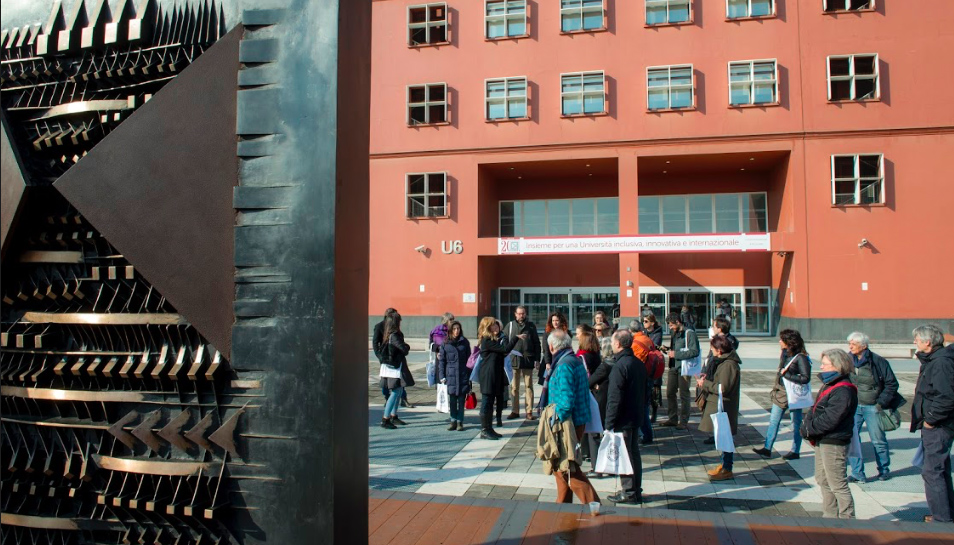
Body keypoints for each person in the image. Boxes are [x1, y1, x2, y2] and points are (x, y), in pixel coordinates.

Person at [800, 348, 858, 520]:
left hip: (833, 441)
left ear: (837, 366)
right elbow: (816, 408)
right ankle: (830, 516)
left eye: (825, 365)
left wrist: (810, 429)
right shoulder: (830, 384)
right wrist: (807, 425)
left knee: (837, 483)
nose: (822, 368)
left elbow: (831, 418)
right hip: (822, 439)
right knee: (823, 479)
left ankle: (848, 519)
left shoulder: (843, 390)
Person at [544, 329, 600, 504]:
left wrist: (554, 419)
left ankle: (594, 506)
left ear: (552, 346)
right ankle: (562, 504)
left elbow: (566, 401)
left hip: (568, 423)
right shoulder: (572, 360)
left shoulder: (564, 365)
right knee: (560, 468)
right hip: (576, 420)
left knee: (568, 468)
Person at [910, 325, 954, 524]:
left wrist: (930, 420)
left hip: (938, 426)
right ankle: (945, 513)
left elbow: (946, 397)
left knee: (932, 471)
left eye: (916, 339)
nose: (914, 342)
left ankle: (942, 519)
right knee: (940, 469)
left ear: (927, 342)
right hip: (937, 424)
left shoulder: (941, 362)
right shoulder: (935, 359)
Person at [846, 331, 901, 483]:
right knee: (852, 439)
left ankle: (884, 470)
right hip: (854, 406)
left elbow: (892, 383)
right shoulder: (848, 360)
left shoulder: (877, 361)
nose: (850, 347)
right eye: (849, 344)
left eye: (854, 344)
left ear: (863, 346)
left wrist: (881, 403)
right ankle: (857, 473)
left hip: (872, 406)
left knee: (878, 440)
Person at [754, 329, 811, 460]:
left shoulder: (801, 358)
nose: (779, 341)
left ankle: (795, 451)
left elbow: (805, 378)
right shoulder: (785, 353)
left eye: (782, 339)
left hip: (793, 394)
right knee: (774, 420)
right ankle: (767, 448)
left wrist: (787, 375)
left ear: (789, 342)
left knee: (796, 423)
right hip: (781, 393)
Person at [605, 329, 647, 504]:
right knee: (634, 453)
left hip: (624, 417)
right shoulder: (637, 363)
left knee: (626, 455)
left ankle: (629, 492)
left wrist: (609, 423)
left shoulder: (620, 366)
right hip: (636, 415)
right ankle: (635, 489)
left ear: (618, 344)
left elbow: (614, 398)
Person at [697, 335, 741, 481]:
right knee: (722, 437)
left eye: (713, 348)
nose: (711, 350)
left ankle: (727, 467)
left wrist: (705, 384)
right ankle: (724, 464)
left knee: (725, 437)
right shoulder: (723, 362)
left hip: (724, 406)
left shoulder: (729, 365)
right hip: (720, 404)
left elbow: (723, 388)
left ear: (719, 350)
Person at [478, 317, 524, 440]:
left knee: (491, 402)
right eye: (493, 325)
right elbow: (505, 349)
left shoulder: (494, 339)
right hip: (488, 375)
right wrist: (516, 338)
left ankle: (489, 428)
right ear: (488, 327)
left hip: (495, 374)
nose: (495, 327)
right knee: (486, 403)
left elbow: (503, 353)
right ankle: (484, 429)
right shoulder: (487, 340)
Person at [662, 313, 700, 430]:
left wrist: (676, 354)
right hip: (673, 366)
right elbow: (676, 349)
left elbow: (695, 351)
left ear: (678, 322)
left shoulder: (690, 333)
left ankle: (683, 421)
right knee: (670, 393)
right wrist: (667, 350)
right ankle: (673, 418)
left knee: (684, 394)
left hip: (684, 368)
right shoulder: (675, 333)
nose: (670, 327)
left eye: (671, 325)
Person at [504, 306, 541, 421]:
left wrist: (537, 359)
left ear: (526, 314)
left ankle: (529, 411)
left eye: (523, 313)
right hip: (514, 359)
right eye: (519, 314)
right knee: (514, 387)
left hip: (527, 359)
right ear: (515, 314)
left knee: (528, 386)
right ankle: (515, 411)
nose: (521, 316)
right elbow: (504, 341)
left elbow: (536, 343)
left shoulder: (531, 326)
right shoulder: (510, 326)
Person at [379, 312, 414, 429]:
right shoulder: (394, 335)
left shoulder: (388, 334)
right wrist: (407, 346)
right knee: (395, 391)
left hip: (391, 366)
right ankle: (385, 418)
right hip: (393, 368)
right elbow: (404, 349)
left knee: (398, 391)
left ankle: (393, 415)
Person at [586, 339, 615, 478]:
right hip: (612, 401)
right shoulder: (617, 363)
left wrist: (593, 385)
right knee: (609, 433)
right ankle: (610, 466)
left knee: (594, 434)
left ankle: (597, 467)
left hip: (601, 402)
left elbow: (589, 382)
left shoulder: (605, 366)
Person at [373, 308, 412, 408]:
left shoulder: (396, 330)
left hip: (397, 359)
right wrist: (380, 356)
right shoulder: (379, 326)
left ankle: (403, 399)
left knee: (399, 381)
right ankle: (387, 398)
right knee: (385, 381)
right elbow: (375, 343)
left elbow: (401, 344)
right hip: (386, 358)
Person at [629, 322, 660, 445]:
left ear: (631, 330)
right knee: (645, 406)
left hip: (642, 378)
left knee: (642, 408)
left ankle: (646, 435)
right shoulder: (646, 339)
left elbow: (635, 362)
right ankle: (647, 434)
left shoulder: (635, 344)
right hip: (649, 375)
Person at [438, 320, 472, 431]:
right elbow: (442, 361)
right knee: (452, 400)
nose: (456, 331)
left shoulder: (464, 342)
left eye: (458, 329)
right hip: (450, 374)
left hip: (462, 374)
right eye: (454, 329)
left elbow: (469, 360)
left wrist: (470, 375)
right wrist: (442, 375)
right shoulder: (445, 343)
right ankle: (453, 420)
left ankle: (460, 422)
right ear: (450, 331)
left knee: (461, 400)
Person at [642, 313, 664, 423]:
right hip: (645, 362)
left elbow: (653, 345)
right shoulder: (643, 332)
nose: (644, 323)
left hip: (654, 363)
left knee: (655, 389)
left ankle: (654, 411)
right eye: (643, 321)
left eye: (646, 321)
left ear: (652, 323)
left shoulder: (658, 332)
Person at [539, 311, 569, 386]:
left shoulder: (566, 333)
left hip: (561, 360)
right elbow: (545, 349)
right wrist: (548, 363)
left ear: (561, 321)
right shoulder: (547, 333)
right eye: (553, 321)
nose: (555, 323)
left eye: (557, 320)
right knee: (548, 384)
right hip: (550, 360)